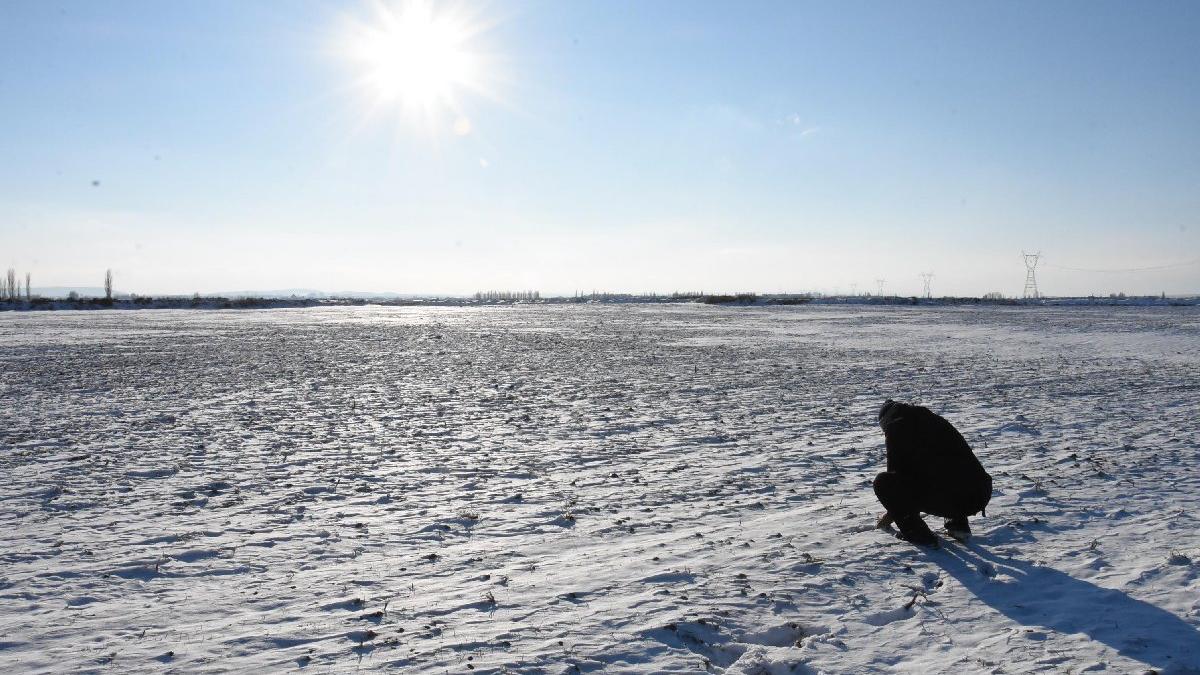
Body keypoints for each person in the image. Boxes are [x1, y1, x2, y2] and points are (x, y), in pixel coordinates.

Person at [873, 399, 992, 546]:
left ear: (886, 422)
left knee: (882, 482)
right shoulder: (933, 420)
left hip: (954, 496)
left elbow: (895, 483)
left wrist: (892, 514)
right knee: (946, 471)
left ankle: (919, 535)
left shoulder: (897, 428)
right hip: (980, 492)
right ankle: (958, 525)